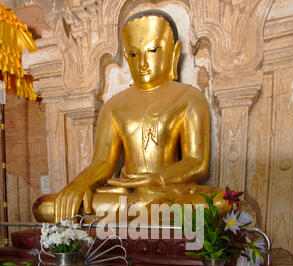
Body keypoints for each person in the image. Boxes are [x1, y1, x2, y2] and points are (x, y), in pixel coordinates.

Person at [33, 10, 230, 223]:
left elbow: (197, 162)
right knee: (45, 206)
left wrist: (157, 179)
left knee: (224, 201)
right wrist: (81, 183)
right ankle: (149, 216)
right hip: (127, 196)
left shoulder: (190, 97)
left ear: (174, 53)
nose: (142, 62)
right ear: (127, 57)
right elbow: (103, 162)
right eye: (134, 54)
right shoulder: (114, 106)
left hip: (170, 191)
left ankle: (140, 216)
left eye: (153, 51)